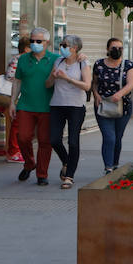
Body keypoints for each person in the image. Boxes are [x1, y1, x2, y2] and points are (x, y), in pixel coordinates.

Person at [11, 27, 59, 184]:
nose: (35, 44)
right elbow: (17, 80)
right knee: (23, 138)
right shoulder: (23, 59)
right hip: (26, 105)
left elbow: (73, 62)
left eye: (39, 41)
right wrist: (12, 102)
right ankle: (30, 163)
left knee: (45, 141)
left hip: (48, 106)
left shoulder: (56, 59)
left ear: (47, 42)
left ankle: (42, 174)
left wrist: (81, 57)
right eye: (32, 41)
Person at [47, 35, 91, 189]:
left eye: (65, 45)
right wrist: (53, 77)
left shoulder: (82, 63)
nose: (62, 47)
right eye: (61, 44)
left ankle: (69, 176)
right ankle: (66, 161)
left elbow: (87, 86)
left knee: (73, 141)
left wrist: (67, 79)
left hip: (75, 106)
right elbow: (48, 84)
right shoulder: (58, 61)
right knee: (54, 140)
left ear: (74, 48)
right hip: (57, 104)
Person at [93, 36, 133, 173]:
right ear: (107, 49)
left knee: (117, 137)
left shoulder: (128, 65)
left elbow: (131, 83)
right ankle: (108, 167)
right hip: (103, 106)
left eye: (120, 48)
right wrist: (96, 95)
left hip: (122, 106)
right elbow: (94, 83)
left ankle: (115, 163)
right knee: (109, 137)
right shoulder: (99, 64)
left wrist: (120, 94)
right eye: (114, 48)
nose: (117, 50)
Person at [3, 32, 25, 162]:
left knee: (21, 125)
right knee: (17, 124)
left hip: (25, 97)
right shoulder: (18, 59)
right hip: (17, 96)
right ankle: (13, 151)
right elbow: (10, 76)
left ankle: (17, 150)